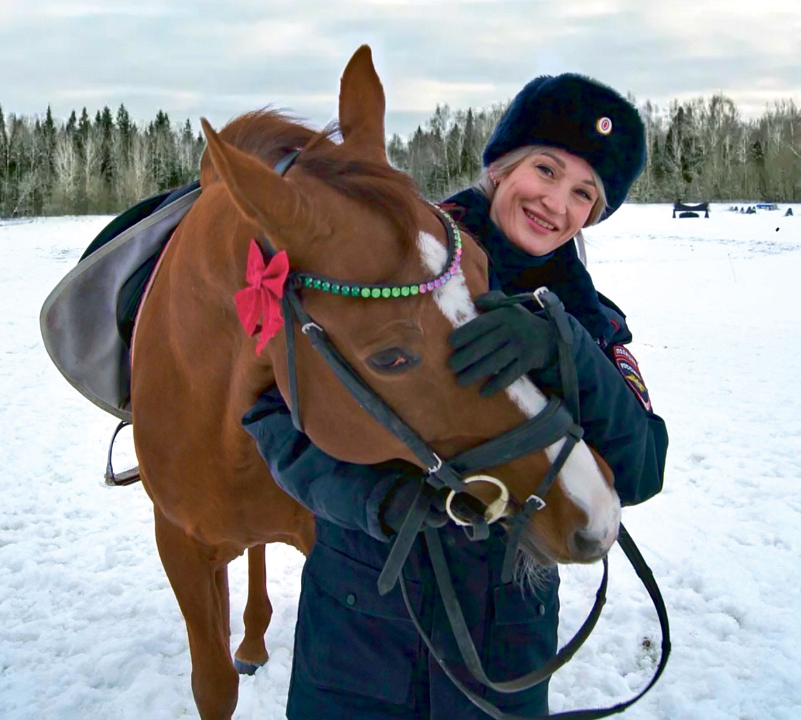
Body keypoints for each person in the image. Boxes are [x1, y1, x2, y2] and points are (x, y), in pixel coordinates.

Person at [241, 73, 668, 719]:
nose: (556, 202)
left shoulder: (590, 321)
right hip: (362, 620)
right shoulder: (379, 264)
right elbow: (270, 411)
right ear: (502, 167)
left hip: (502, 641)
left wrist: (565, 346)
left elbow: (641, 469)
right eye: (546, 170)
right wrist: (372, 500)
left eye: (584, 193)